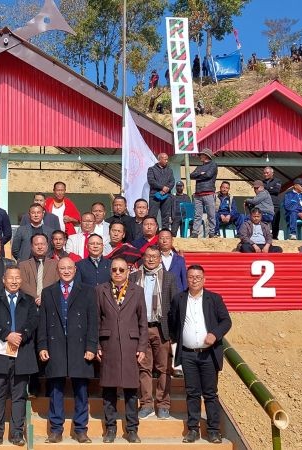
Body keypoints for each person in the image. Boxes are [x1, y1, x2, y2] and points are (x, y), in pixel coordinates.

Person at [168, 265, 231, 444]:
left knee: (210, 393)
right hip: (188, 354)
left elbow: (226, 321)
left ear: (204, 279)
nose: (194, 280)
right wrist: (175, 340)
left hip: (208, 354)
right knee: (192, 393)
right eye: (191, 277)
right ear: (186, 279)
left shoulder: (214, 299)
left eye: (198, 277)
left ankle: (213, 430)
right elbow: (173, 321)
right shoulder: (179, 299)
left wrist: (215, 334)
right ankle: (193, 429)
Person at [38, 258, 99, 444]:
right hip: (55, 346)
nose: (66, 271)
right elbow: (43, 322)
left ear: (75, 269)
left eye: (69, 268)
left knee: (81, 389)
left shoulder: (88, 291)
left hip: (80, 347)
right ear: (57, 270)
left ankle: (81, 429)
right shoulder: (48, 292)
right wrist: (42, 345)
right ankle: (56, 429)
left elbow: (93, 321)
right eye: (62, 268)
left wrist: (91, 346)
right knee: (55, 389)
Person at [0, 267, 39, 447]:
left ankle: (16, 433)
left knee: (19, 395)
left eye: (17, 278)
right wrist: (7, 334)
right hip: (0, 352)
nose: (14, 281)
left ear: (21, 281)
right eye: (10, 278)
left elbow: (33, 321)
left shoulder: (28, 301)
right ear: (3, 280)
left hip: (22, 352)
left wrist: (20, 336)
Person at [96, 257, 148, 443]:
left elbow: (143, 322)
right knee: (109, 390)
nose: (117, 273)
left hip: (130, 346)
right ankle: (110, 428)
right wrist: (96, 345)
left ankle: (132, 429)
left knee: (131, 390)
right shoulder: (100, 290)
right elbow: (95, 320)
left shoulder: (137, 291)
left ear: (128, 272)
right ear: (110, 271)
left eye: (121, 270)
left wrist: (142, 347)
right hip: (108, 345)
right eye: (114, 270)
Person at [129, 246, 176, 420]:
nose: (150, 259)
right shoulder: (133, 277)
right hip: (140, 329)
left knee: (164, 368)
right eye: (148, 256)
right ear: (143, 258)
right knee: (144, 367)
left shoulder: (169, 278)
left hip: (161, 329)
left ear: (159, 259)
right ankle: (146, 404)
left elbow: (174, 307)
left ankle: (163, 404)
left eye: (154, 256)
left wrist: (173, 333)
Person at [19, 234, 59, 300]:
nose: (40, 247)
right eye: (36, 244)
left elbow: (58, 284)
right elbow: (23, 284)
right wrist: (36, 298)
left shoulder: (56, 264)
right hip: (30, 303)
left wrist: (44, 298)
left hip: (50, 301)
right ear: (31, 246)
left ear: (47, 246)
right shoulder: (23, 265)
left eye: (42, 244)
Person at [190, 149, 218, 238]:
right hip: (198, 194)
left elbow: (208, 175)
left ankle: (212, 232)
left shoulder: (213, 165)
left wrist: (198, 175)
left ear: (206, 156)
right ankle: (195, 232)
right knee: (197, 214)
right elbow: (191, 175)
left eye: (201, 155)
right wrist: (200, 173)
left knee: (211, 214)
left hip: (208, 193)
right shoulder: (199, 167)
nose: (200, 156)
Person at [147, 152, 175, 231]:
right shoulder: (151, 169)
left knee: (166, 215)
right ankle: (153, 232)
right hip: (154, 196)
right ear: (159, 159)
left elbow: (172, 182)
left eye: (167, 159)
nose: (167, 161)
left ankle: (165, 231)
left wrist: (167, 189)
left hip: (166, 196)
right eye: (165, 159)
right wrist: (162, 187)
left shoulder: (170, 170)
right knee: (152, 215)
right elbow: (151, 181)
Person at [262, 167, 282, 236]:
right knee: (264, 220)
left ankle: (275, 236)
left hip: (274, 204)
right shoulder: (262, 182)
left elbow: (276, 191)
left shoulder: (277, 181)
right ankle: (265, 236)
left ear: (272, 173)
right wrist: (270, 188)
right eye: (264, 173)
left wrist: (265, 189)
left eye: (267, 173)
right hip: (264, 204)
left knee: (275, 221)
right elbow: (259, 192)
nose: (265, 174)